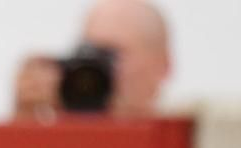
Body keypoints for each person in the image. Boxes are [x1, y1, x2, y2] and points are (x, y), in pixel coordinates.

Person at [13, 0, 171, 121]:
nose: (95, 69)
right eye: (88, 53)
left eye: (111, 55)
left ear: (163, 65)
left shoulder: (180, 139)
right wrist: (26, 121)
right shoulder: (61, 127)